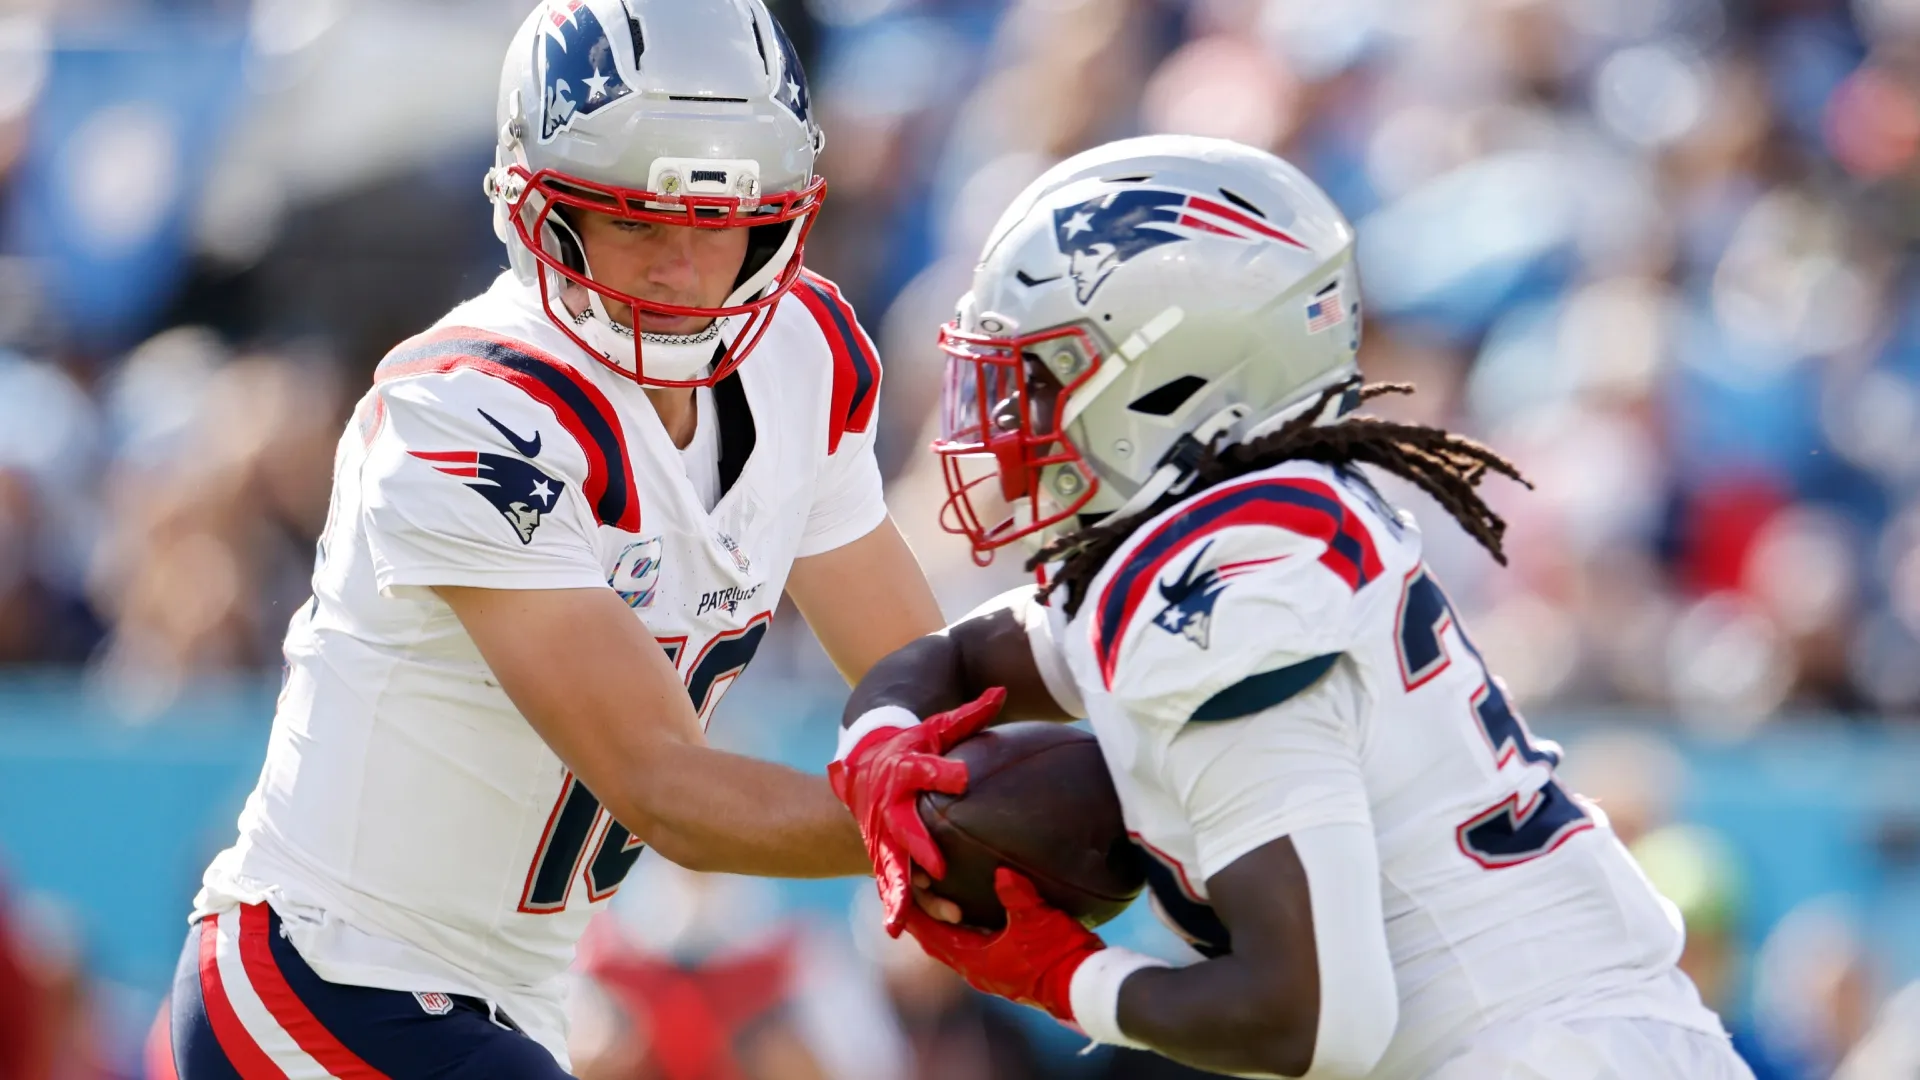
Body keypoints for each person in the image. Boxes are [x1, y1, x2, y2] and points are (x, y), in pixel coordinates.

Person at [829, 136, 1753, 1079]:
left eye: (1043, 374)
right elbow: (964, 655)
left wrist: (1063, 979)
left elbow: (1311, 1021)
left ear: (1171, 374)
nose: (1012, 417)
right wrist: (877, 743)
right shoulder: (1236, 536)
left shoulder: (1227, 592)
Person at [169, 1, 944, 1074]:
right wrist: (957, 828)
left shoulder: (803, 354)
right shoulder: (465, 414)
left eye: (716, 223)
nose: (681, 272)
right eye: (636, 221)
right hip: (330, 976)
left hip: (517, 997)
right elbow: (666, 786)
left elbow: (921, 685)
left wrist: (1110, 771)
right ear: (542, 209)